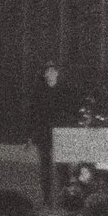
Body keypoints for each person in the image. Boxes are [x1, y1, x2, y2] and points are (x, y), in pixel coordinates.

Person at [29, 60, 82, 204]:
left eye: (53, 71)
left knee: (62, 167)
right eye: (48, 71)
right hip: (44, 132)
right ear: (44, 74)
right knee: (45, 167)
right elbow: (33, 113)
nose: (51, 74)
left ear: (58, 73)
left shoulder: (65, 90)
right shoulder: (38, 91)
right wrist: (33, 133)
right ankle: (46, 197)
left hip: (60, 132)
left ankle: (63, 196)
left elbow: (71, 110)